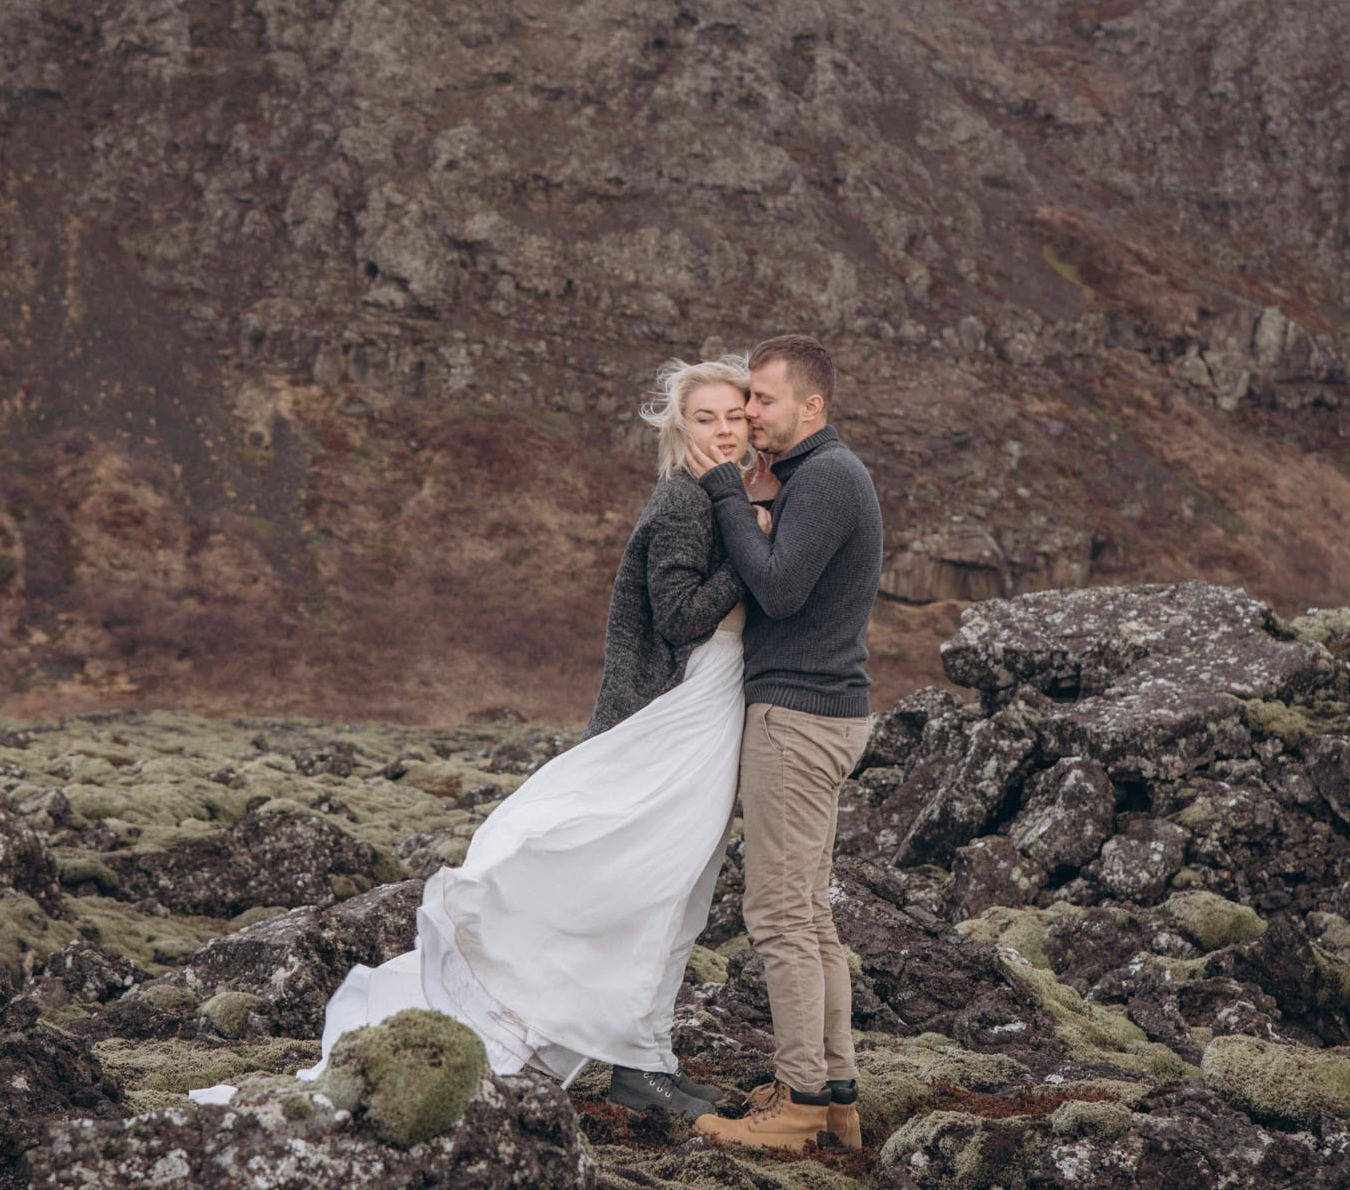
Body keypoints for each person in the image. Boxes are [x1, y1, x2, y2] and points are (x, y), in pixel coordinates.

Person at [191, 357, 776, 1118]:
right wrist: (751, 549)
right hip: (677, 716)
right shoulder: (683, 503)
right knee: (648, 886)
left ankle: (650, 1056)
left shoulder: (717, 500)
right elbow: (680, 616)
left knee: (677, 891)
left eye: (734, 415)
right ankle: (635, 1063)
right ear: (679, 429)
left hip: (706, 708)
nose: (724, 429)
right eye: (706, 418)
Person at [679, 333, 883, 1153]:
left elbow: (778, 587)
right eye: (747, 399)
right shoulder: (813, 476)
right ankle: (834, 1098)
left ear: (813, 405)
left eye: (763, 398)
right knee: (810, 914)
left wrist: (727, 494)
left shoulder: (829, 478)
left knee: (777, 917)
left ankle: (797, 1104)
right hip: (823, 711)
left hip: (798, 717)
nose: (751, 412)